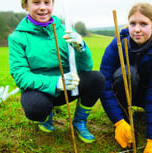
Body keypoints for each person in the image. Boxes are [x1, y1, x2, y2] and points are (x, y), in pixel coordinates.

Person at [8, 0, 105, 143]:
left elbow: (85, 69)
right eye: (36, 2)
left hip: (69, 88)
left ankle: (79, 121)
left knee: (97, 78)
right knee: (35, 107)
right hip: (41, 91)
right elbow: (21, 76)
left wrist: (82, 48)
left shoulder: (66, 30)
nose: (42, 7)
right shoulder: (17, 38)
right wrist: (56, 83)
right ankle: (46, 117)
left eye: (47, 2)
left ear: (52, 4)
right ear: (25, 5)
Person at [99, 2, 152, 152]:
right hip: (123, 90)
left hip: (146, 94)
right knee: (129, 73)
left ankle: (146, 118)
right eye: (133, 23)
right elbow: (104, 83)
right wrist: (118, 122)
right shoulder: (117, 44)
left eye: (143, 24)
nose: (137, 29)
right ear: (128, 24)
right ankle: (124, 116)